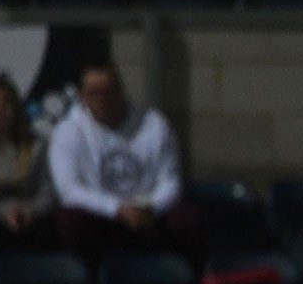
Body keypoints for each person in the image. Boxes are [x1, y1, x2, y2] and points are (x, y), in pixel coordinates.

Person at [48, 61, 203, 265]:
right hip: (100, 217)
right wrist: (117, 209)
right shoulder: (68, 131)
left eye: (108, 92)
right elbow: (70, 190)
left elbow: (170, 180)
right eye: (94, 93)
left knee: (188, 220)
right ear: (82, 96)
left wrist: (151, 208)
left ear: (121, 91)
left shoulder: (154, 125)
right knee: (69, 221)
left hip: (149, 216)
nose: (102, 100)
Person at [0, 75, 53, 251]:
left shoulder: (33, 145)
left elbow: (48, 193)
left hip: (30, 216)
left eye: (6, 105)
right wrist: (4, 212)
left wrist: (29, 211)